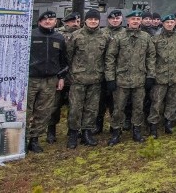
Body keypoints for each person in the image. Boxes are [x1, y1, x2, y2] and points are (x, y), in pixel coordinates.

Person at [105, 9, 155, 145]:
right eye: (133, 19)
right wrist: (110, 78)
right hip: (122, 80)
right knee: (118, 108)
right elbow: (110, 58)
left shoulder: (146, 37)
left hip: (139, 79)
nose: (136, 21)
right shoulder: (119, 37)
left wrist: (150, 75)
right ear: (128, 21)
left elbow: (151, 57)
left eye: (138, 20)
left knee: (138, 107)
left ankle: (136, 131)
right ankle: (116, 132)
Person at [66, 9, 108, 149]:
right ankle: (73, 134)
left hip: (96, 79)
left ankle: (87, 133)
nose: (93, 21)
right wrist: (70, 75)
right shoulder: (76, 36)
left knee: (92, 109)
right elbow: (68, 56)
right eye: (90, 19)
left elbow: (107, 58)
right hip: (78, 79)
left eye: (96, 19)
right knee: (75, 108)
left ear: (99, 21)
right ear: (85, 20)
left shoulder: (104, 36)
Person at [27, 10, 67, 152]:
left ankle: (35, 139)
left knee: (43, 112)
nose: (48, 22)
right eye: (45, 20)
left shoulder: (59, 38)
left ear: (55, 22)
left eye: (51, 20)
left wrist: (61, 77)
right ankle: (23, 139)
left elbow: (63, 61)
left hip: (50, 80)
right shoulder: (31, 35)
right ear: (39, 22)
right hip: (31, 79)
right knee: (26, 110)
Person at [147, 14, 176, 137]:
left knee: (173, 102)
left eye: (171, 22)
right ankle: (153, 126)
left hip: (175, 76)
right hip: (160, 77)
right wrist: (151, 75)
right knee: (156, 103)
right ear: (162, 23)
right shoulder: (155, 39)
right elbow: (151, 58)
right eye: (167, 22)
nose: (169, 24)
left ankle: (169, 124)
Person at [49, 11, 80, 141]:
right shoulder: (57, 35)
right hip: (59, 75)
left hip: (75, 76)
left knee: (74, 106)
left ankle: (71, 130)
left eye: (78, 22)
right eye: (73, 21)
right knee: (54, 105)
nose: (76, 24)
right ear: (66, 22)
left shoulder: (81, 35)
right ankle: (51, 131)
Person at [96, 9, 126, 134]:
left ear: (121, 20)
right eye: (112, 18)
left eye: (117, 18)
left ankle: (115, 127)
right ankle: (98, 125)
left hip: (119, 74)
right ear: (108, 20)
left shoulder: (125, 33)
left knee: (117, 103)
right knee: (99, 102)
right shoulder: (101, 33)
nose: (115, 20)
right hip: (101, 72)